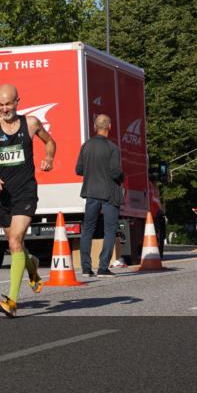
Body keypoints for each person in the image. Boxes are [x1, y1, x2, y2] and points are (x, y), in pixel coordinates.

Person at [0, 84, 56, 317]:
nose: (5, 109)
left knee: (15, 241)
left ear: (18, 101)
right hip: (3, 194)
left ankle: (12, 301)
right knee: (14, 244)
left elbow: (50, 142)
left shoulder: (31, 123)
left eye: (9, 104)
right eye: (0, 105)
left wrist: (48, 157)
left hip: (26, 192)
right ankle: (32, 267)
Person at [76, 114, 125, 277]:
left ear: (95, 126)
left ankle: (86, 268)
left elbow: (78, 170)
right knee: (109, 230)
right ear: (109, 126)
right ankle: (103, 267)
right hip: (109, 193)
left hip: (91, 192)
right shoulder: (112, 148)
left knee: (88, 229)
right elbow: (115, 172)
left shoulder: (86, 146)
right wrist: (123, 177)